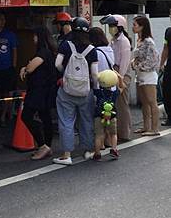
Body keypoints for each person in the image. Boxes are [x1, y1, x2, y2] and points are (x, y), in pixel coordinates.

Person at [53, 17, 99, 166]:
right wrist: (95, 90)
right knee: (86, 120)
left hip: (66, 90)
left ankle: (66, 155)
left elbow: (57, 64)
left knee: (66, 121)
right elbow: (95, 74)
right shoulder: (92, 50)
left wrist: (65, 74)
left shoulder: (66, 45)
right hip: (86, 91)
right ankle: (88, 151)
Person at [20, 27, 57, 160]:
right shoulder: (50, 51)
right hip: (46, 90)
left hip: (39, 91)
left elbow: (30, 68)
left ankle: (43, 145)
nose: (33, 38)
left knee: (27, 116)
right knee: (46, 117)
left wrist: (25, 68)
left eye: (35, 36)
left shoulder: (43, 52)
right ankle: (47, 146)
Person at [100, 14, 132, 142]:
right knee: (115, 104)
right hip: (114, 72)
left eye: (113, 25)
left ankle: (124, 133)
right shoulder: (113, 40)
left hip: (121, 74)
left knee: (122, 104)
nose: (111, 28)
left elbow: (124, 63)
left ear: (120, 27)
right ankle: (117, 132)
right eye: (110, 26)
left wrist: (121, 80)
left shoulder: (124, 41)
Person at [131, 16, 161, 136]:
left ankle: (154, 128)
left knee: (151, 102)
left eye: (135, 25)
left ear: (142, 26)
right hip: (140, 74)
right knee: (144, 102)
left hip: (148, 74)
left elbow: (153, 60)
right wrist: (134, 63)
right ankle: (146, 126)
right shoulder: (139, 40)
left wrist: (137, 66)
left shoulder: (148, 41)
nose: (133, 27)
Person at [0, 12, 18, 126]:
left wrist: (13, 66)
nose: (2, 22)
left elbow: (15, 51)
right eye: (0, 19)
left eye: (4, 20)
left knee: (8, 93)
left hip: (7, 68)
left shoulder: (10, 35)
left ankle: (4, 116)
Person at [92, 69, 120, 161]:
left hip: (99, 116)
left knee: (98, 135)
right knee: (113, 134)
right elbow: (122, 87)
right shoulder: (114, 93)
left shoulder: (98, 92)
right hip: (112, 117)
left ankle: (97, 153)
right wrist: (118, 78)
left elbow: (94, 85)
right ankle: (114, 149)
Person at [159, 15, 171, 126]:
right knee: (167, 90)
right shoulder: (168, 31)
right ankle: (169, 117)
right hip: (169, 65)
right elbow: (165, 48)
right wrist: (161, 64)